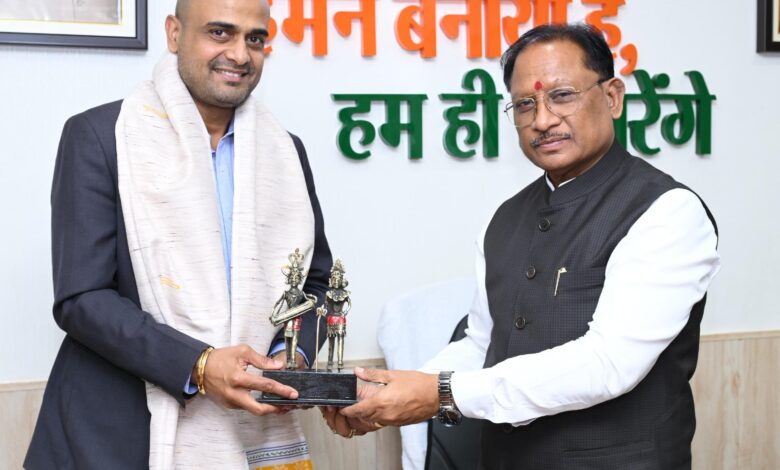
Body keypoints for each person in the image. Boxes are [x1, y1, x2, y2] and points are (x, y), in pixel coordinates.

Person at [325, 23, 720, 469]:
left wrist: (438, 393)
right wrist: (390, 390)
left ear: (612, 97)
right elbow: (482, 344)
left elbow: (608, 363)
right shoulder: (504, 219)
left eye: (562, 95)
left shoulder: (666, 211)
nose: (543, 120)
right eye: (525, 104)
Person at [25, 0, 332, 468]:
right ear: (174, 33)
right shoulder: (102, 137)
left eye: (255, 39)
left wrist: (290, 359)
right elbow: (82, 298)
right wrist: (200, 365)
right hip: (112, 439)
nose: (240, 54)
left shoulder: (287, 154)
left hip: (252, 433)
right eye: (219, 32)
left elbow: (317, 283)